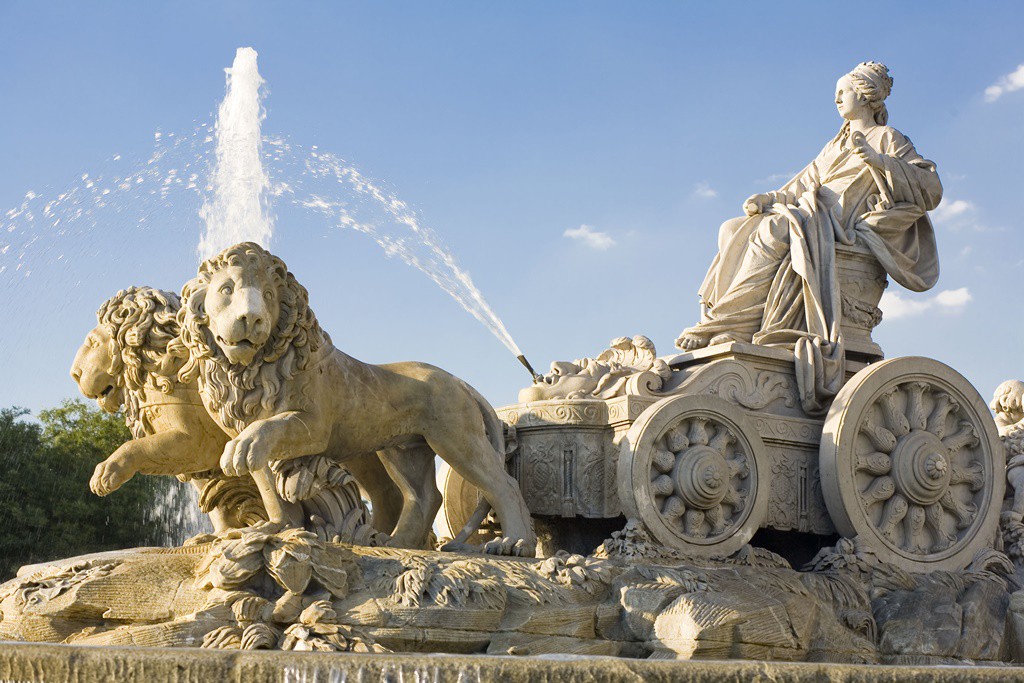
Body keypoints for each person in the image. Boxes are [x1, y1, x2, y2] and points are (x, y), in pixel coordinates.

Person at [675, 61, 942, 413]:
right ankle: (735, 327)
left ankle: (727, 322)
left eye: (843, 91)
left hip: (838, 225)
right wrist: (769, 199)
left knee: (775, 229)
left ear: (865, 94)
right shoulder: (833, 146)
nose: (837, 99)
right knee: (731, 228)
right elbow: (804, 185)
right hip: (812, 212)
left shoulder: (888, 138)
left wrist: (880, 161)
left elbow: (931, 188)